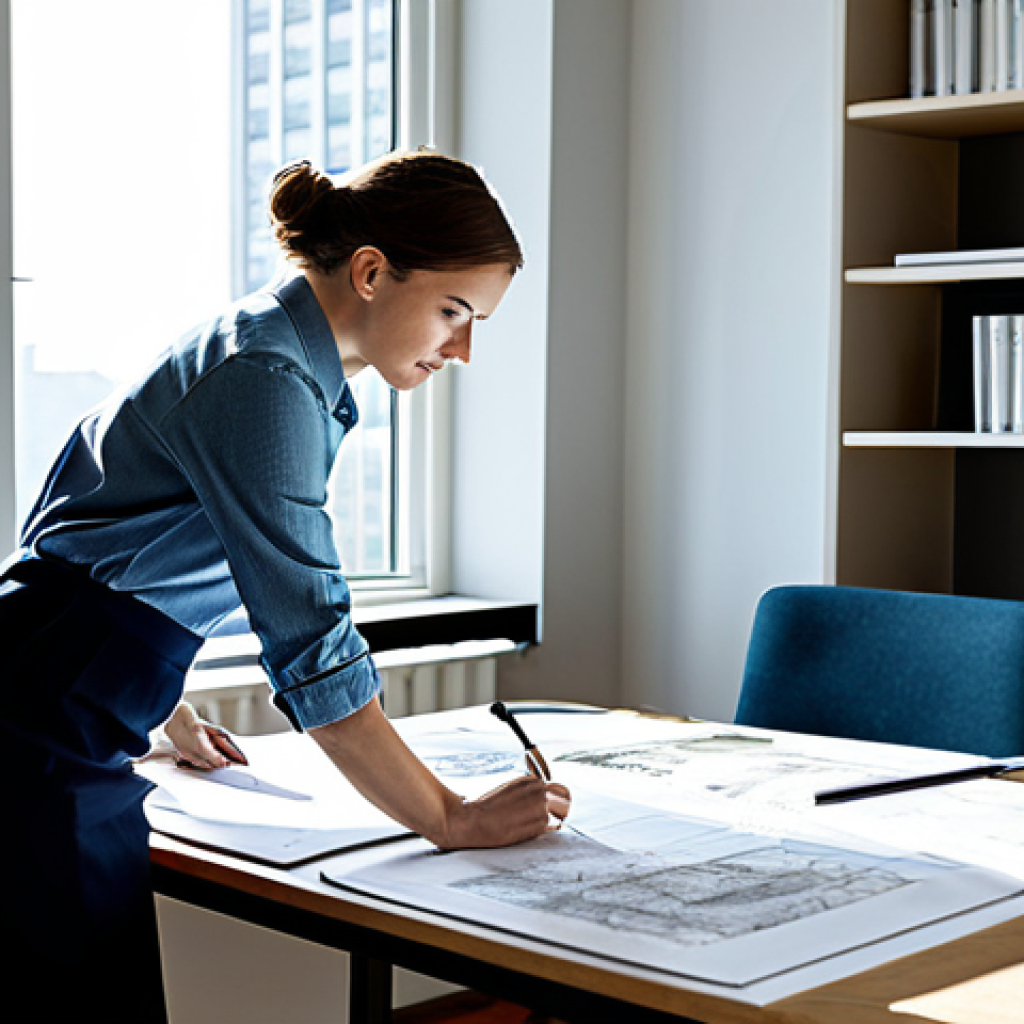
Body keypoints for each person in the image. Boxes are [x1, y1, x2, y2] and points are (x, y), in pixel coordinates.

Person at [0, 151, 571, 1024]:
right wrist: (452, 819)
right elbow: (313, 646)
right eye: (454, 312)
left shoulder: (262, 348)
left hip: (57, 698)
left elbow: (85, 533)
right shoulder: (265, 378)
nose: (461, 349)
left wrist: (156, 704)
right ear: (373, 272)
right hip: (36, 739)